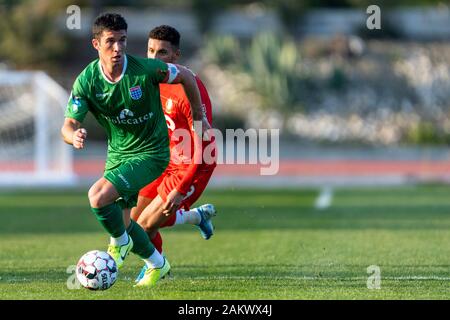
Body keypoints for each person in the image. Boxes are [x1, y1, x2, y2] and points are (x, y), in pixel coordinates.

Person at [61, 14, 208, 287]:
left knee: (98, 196)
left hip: (151, 154)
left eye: (122, 41)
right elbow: (68, 125)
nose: (117, 48)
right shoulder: (88, 80)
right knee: (127, 222)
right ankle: (158, 264)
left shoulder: (145, 70)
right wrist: (74, 135)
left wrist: (198, 119)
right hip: (118, 155)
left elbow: (186, 76)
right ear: (96, 44)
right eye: (110, 42)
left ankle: (119, 244)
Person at [130, 25, 217, 281]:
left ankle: (157, 269)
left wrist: (181, 188)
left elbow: (204, 146)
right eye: (150, 51)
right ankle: (196, 216)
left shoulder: (189, 89)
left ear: (176, 56)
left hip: (195, 164)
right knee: (133, 226)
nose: (154, 59)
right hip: (164, 160)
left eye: (162, 53)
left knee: (146, 226)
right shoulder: (147, 80)